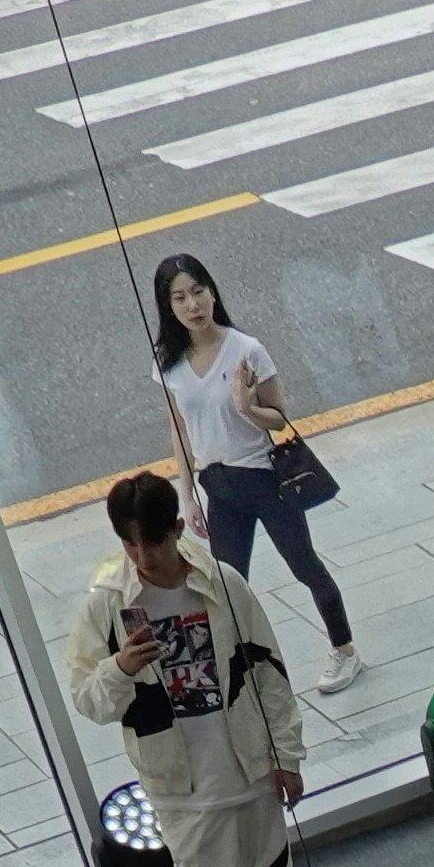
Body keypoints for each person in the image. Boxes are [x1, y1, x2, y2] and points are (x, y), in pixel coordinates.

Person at [61, 469, 317, 867]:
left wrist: (289, 756)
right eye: (130, 544)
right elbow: (89, 701)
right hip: (181, 790)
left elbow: (269, 672)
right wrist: (121, 668)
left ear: (178, 529)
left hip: (250, 770)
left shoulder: (223, 585)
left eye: (152, 541)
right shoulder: (106, 606)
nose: (142, 557)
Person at [147, 254, 360, 696]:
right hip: (219, 487)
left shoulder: (246, 349)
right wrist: (186, 495)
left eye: (199, 291)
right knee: (226, 583)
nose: (193, 305)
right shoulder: (169, 363)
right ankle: (234, 665)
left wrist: (246, 408)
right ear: (168, 306)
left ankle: (344, 649)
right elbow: (179, 431)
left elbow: (280, 419)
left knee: (305, 567)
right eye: (181, 297)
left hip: (264, 480)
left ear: (212, 292)